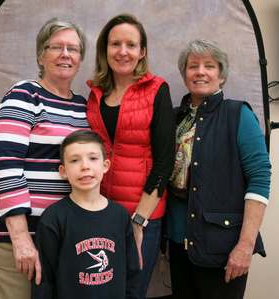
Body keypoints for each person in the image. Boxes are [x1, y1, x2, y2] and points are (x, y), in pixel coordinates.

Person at [0, 17, 89, 299]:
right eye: (56, 47)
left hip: (65, 237)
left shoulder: (84, 106)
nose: (66, 54)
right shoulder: (24, 94)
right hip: (21, 238)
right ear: (40, 56)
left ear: (81, 59)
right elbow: (5, 165)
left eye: (74, 49)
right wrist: (21, 239)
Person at [167, 38, 271, 299]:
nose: (200, 71)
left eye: (209, 66)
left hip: (223, 250)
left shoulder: (238, 114)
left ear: (221, 76)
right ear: (184, 74)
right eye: (193, 66)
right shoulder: (174, 117)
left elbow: (259, 178)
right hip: (179, 246)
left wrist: (245, 246)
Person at [86, 13, 176, 298]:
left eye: (131, 45)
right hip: (98, 212)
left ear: (142, 51)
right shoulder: (95, 93)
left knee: (131, 292)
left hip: (142, 216)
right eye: (115, 44)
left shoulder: (156, 90)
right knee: (99, 290)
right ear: (105, 49)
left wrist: (139, 220)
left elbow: (164, 162)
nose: (122, 51)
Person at [31, 130, 140, 298]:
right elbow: (44, 281)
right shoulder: (54, 218)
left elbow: (132, 271)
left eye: (93, 158)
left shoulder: (121, 215)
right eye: (75, 160)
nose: (85, 166)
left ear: (105, 166)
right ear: (63, 171)